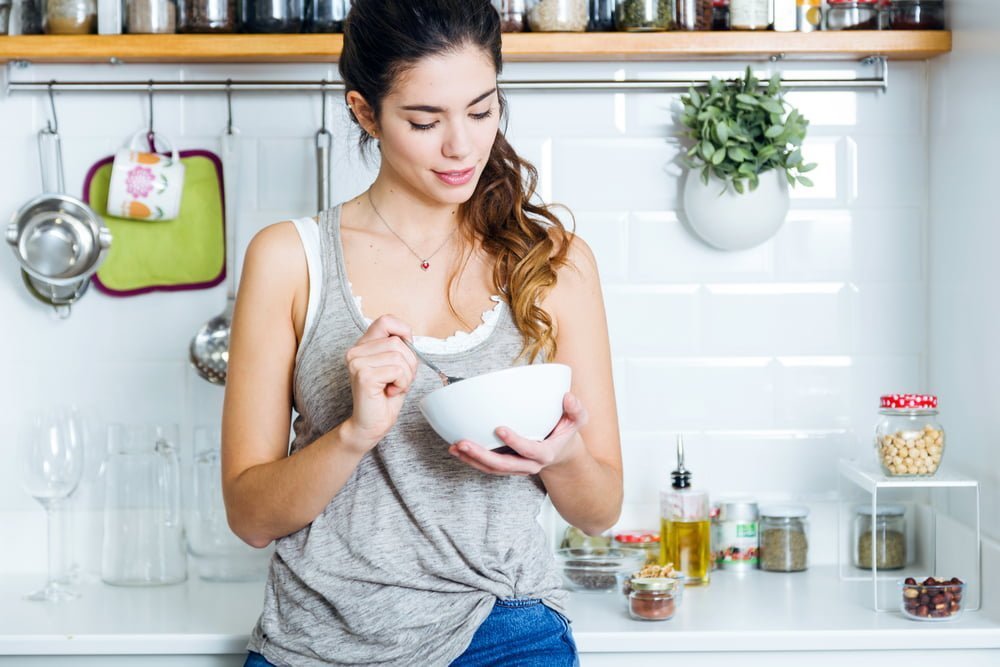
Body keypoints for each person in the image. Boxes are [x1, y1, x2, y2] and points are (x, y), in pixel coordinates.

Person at [221, 1, 623, 665]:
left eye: (481, 109)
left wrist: (560, 455)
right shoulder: (289, 259)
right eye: (424, 120)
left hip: (506, 630)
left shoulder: (554, 261)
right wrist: (355, 433)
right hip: (317, 640)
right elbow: (251, 516)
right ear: (363, 112)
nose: (462, 145)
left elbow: (600, 508)